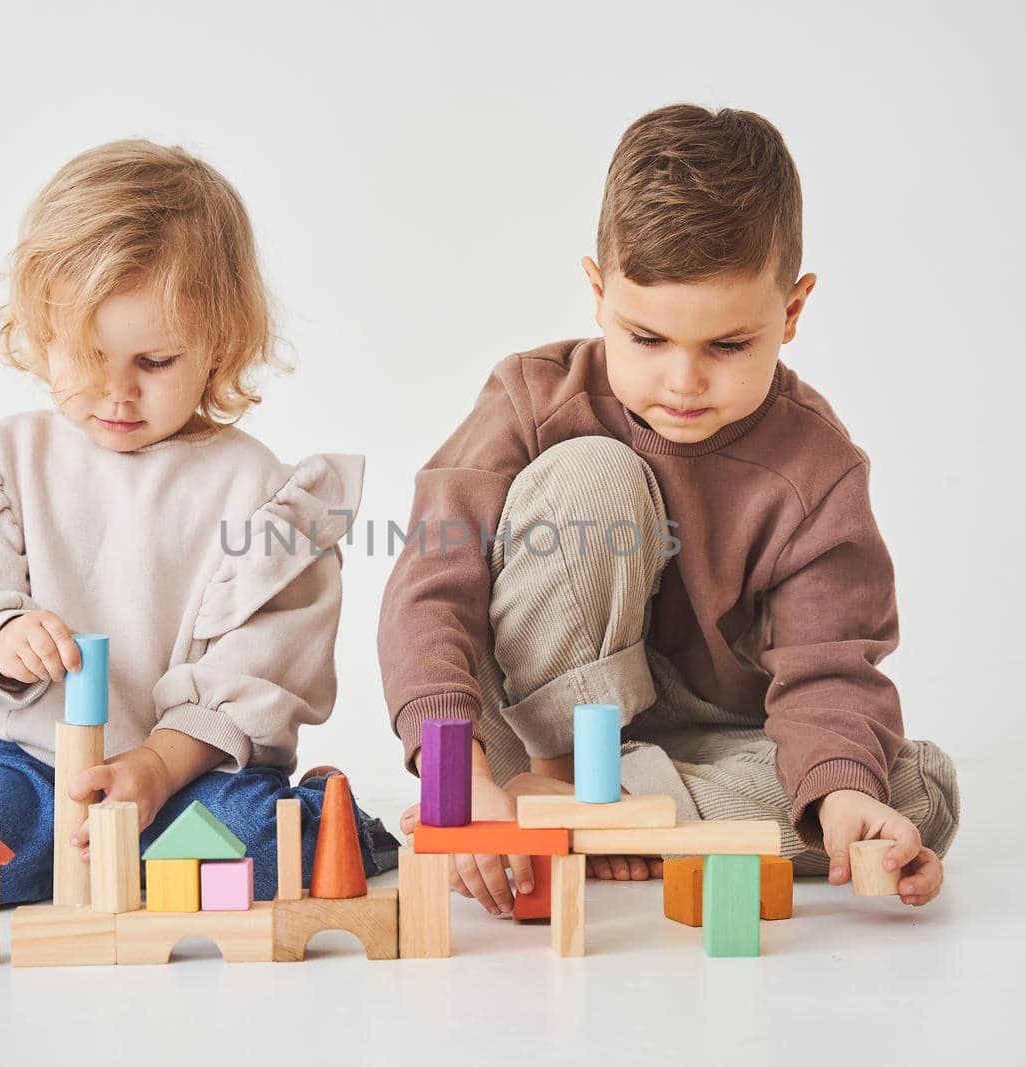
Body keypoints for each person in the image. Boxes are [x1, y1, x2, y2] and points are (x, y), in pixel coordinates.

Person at [379, 105, 958, 917]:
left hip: (701, 741)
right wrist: (457, 780)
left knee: (913, 787)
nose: (683, 382)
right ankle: (561, 791)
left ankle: (616, 816)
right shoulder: (532, 398)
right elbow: (429, 588)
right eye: (646, 339)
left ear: (791, 313)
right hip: (526, 732)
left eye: (727, 346)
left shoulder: (816, 471)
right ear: (597, 294)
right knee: (589, 477)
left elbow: (828, 669)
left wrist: (843, 797)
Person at [0, 139, 395, 914]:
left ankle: (319, 806)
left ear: (217, 344)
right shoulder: (3, 466)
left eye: (153, 360)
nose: (115, 392)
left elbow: (269, 657)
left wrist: (159, 762)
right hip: (35, 770)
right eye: (86, 354)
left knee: (251, 856)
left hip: (196, 776)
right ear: (37, 328)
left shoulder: (258, 490)